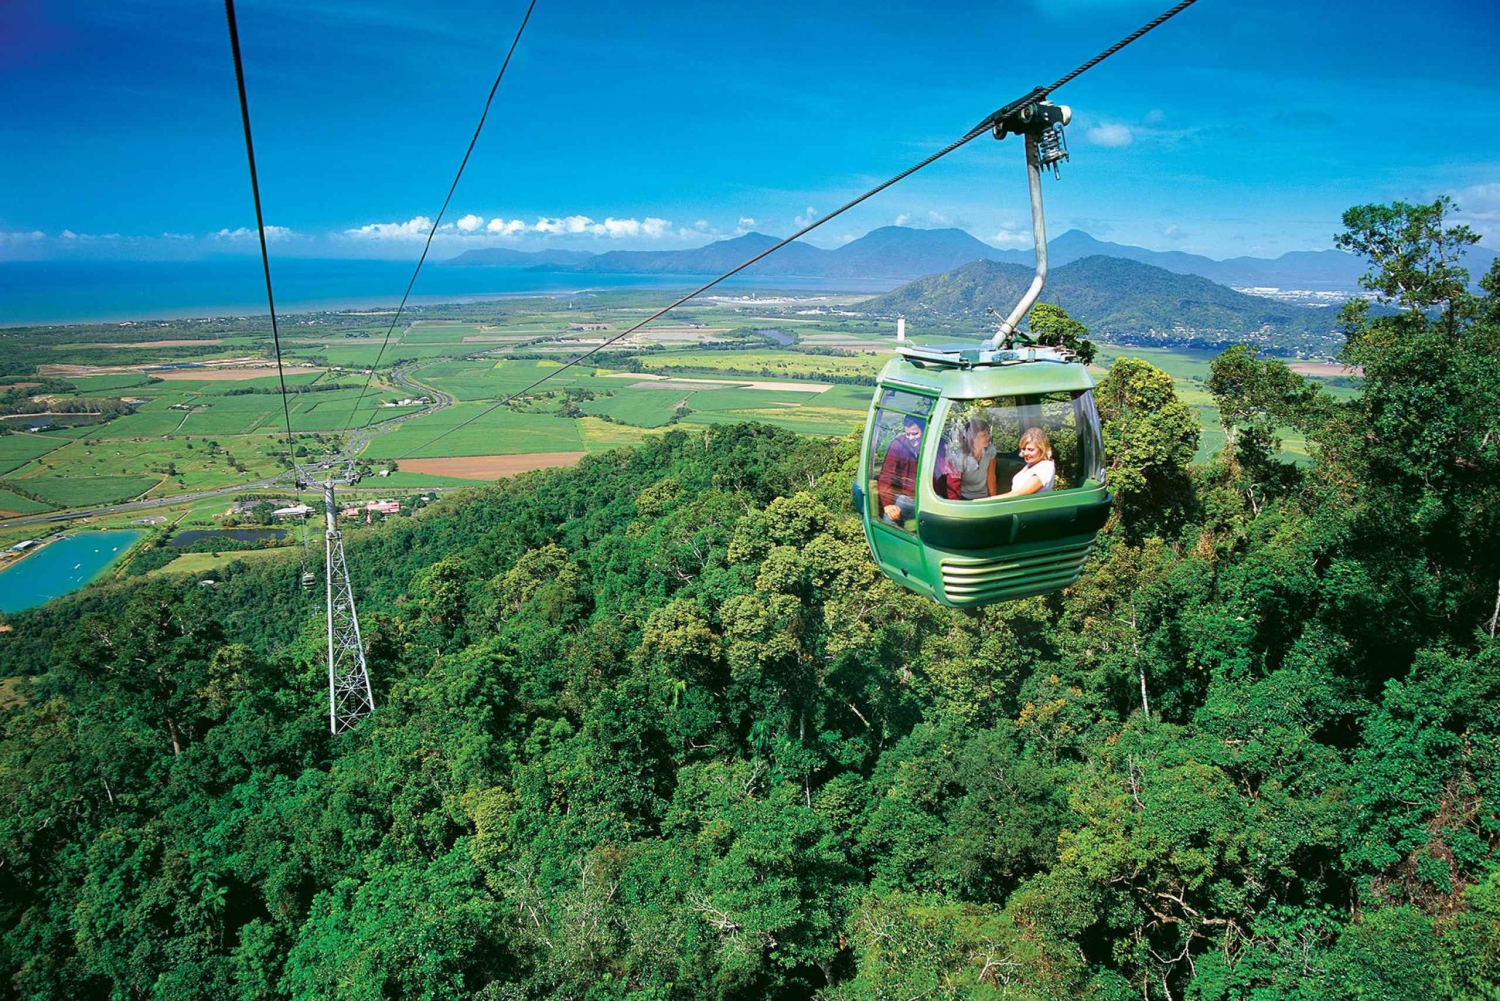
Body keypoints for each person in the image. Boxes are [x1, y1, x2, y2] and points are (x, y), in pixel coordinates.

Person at [878, 414, 924, 524]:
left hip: (930, 497)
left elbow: (949, 475)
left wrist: (953, 503)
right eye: (908, 434)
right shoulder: (898, 445)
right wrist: (888, 504)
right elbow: (886, 475)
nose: (911, 438)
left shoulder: (936, 444)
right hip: (906, 498)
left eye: (915, 434)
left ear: (925, 431)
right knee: (890, 518)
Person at [948, 415, 998, 500]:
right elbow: (954, 485)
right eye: (984, 435)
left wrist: (995, 501)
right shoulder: (960, 456)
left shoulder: (990, 450)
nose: (988, 437)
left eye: (988, 433)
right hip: (965, 497)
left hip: (984, 496)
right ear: (972, 437)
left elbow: (991, 477)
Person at [996, 426, 1055, 498]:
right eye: (1023, 449)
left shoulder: (1045, 468)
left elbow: (1018, 494)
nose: (1025, 453)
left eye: (1031, 449)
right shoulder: (1030, 464)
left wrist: (985, 501)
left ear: (1042, 449)